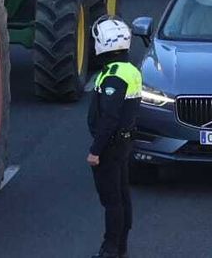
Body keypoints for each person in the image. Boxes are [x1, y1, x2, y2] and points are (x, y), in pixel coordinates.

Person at [86, 17, 140, 258]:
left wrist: (96, 150)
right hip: (125, 142)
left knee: (112, 201)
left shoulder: (113, 77)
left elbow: (109, 117)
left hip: (110, 146)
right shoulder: (130, 70)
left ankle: (110, 249)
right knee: (122, 196)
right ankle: (121, 248)